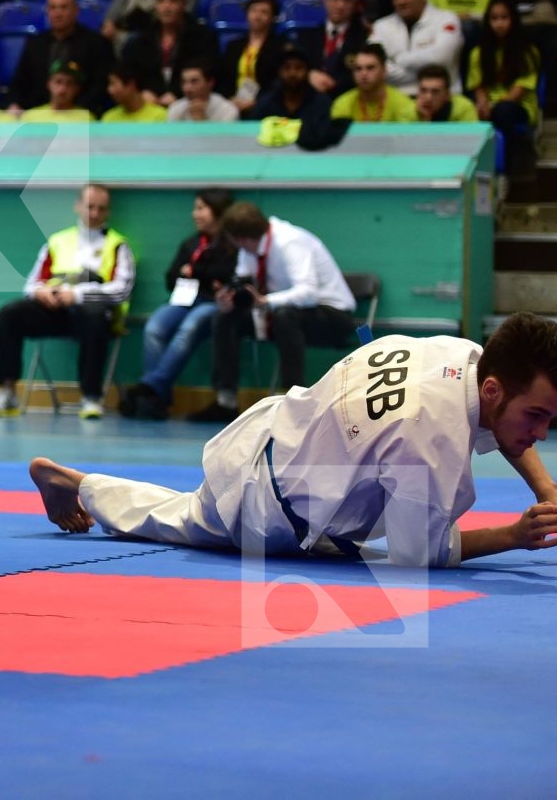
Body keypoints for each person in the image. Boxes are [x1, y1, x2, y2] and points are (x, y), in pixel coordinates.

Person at [30, 315, 557, 568]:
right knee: (179, 521)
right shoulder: (430, 440)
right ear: (492, 389)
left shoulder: (463, 354)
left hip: (276, 428)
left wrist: (546, 490)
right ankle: (75, 481)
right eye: (537, 416)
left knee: (183, 511)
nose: (539, 434)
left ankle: (76, 479)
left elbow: (505, 425)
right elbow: (418, 557)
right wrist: (514, 535)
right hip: (265, 507)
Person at [194, 200, 358, 424]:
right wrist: (230, 299)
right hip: (284, 314)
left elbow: (308, 293)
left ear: (241, 238)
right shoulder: (249, 248)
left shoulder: (290, 242)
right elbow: (245, 285)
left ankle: (294, 398)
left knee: (284, 315)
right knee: (225, 317)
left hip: (332, 315)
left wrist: (265, 301)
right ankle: (226, 400)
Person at [0, 183, 135, 421]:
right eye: (90, 207)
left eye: (101, 209)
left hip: (94, 318)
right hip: (55, 313)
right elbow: (31, 284)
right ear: (78, 206)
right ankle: (7, 391)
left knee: (94, 314)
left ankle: (91, 397)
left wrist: (77, 295)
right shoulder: (57, 241)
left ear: (107, 212)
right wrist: (41, 293)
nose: (95, 214)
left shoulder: (118, 245)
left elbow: (121, 290)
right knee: (9, 314)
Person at [122, 188, 238, 420]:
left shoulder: (232, 245)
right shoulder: (191, 243)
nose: (195, 214)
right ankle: (156, 399)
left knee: (189, 328)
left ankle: (150, 387)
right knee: (155, 326)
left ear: (217, 211)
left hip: (213, 304)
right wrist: (200, 274)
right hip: (185, 300)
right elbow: (171, 277)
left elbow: (226, 275)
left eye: (201, 209)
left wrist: (195, 272)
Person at [9, 0, 114, 114]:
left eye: (64, 7)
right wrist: (15, 104)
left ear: (76, 11)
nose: (58, 13)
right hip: (39, 116)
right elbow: (20, 82)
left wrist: (75, 111)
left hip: (81, 115)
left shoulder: (96, 43)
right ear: (47, 11)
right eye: (53, 8)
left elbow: (101, 85)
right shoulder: (35, 43)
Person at [470, 0, 542, 180]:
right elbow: (478, 86)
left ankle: (503, 175)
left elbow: (517, 93)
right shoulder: (478, 53)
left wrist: (492, 109)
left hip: (518, 107)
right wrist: (482, 104)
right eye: (494, 18)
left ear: (513, 20)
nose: (499, 24)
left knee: (505, 112)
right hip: (491, 107)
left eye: (504, 18)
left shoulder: (528, 51)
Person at [371, 0, 464, 97]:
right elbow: (373, 66)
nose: (401, 1)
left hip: (443, 99)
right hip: (396, 101)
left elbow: (442, 59)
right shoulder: (381, 26)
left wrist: (399, 59)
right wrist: (425, 73)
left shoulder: (446, 19)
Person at [123, 0, 218, 105]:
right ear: (155, 5)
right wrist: (141, 93)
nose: (167, 7)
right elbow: (128, 73)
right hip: (149, 106)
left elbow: (209, 74)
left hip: (191, 103)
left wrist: (179, 95)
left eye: (173, 1)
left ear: (184, 4)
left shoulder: (203, 37)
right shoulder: (141, 39)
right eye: (161, 1)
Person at [217, 0, 286, 115]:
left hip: (266, 106)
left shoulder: (281, 46)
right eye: (253, 10)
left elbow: (277, 83)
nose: (257, 16)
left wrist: (256, 102)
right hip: (232, 104)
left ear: (272, 18)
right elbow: (224, 78)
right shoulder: (233, 46)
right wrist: (231, 99)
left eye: (264, 12)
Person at [302, 0, 370, 97]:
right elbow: (296, 67)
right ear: (325, 1)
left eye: (347, 0)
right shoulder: (307, 36)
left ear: (355, 5)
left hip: (348, 100)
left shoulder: (364, 37)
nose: (340, 5)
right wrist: (308, 75)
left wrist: (333, 83)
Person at [252, 45, 334, 131]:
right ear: (279, 72)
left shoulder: (322, 105)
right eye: (286, 68)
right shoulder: (264, 105)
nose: (292, 73)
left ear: (307, 72)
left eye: (298, 68)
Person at [332, 43, 420, 123]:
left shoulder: (404, 105)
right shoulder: (342, 104)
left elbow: (404, 139)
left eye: (370, 68)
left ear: (384, 71)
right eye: (358, 69)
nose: (364, 74)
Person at [168, 60, 240, 122]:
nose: (187, 88)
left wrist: (200, 121)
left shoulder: (228, 111)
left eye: (194, 81)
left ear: (210, 83)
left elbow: (224, 138)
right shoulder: (175, 109)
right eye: (184, 82)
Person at [23, 62, 96, 122]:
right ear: (49, 84)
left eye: (69, 83)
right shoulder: (31, 116)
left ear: (77, 89)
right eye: (58, 82)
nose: (63, 88)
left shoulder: (87, 118)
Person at [101, 60, 166, 122]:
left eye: (113, 84)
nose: (110, 90)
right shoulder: (109, 118)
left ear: (131, 85)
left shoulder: (160, 116)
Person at [415, 64, 479, 123]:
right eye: (423, 90)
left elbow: (470, 135)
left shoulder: (464, 108)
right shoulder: (410, 110)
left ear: (447, 95)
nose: (428, 97)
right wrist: (425, 119)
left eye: (435, 92)